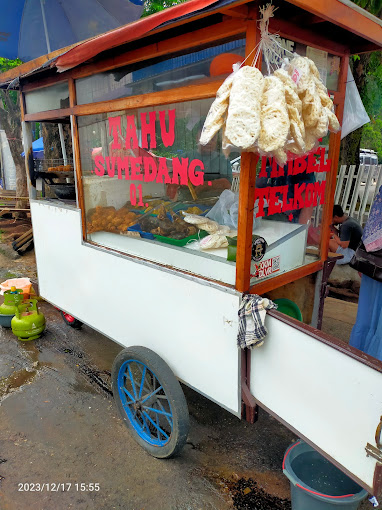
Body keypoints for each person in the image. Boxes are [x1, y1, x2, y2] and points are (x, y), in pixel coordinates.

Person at [349, 185, 382, 361]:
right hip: (377, 262)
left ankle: (363, 359)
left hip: (375, 261)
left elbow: (372, 230)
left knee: (369, 314)